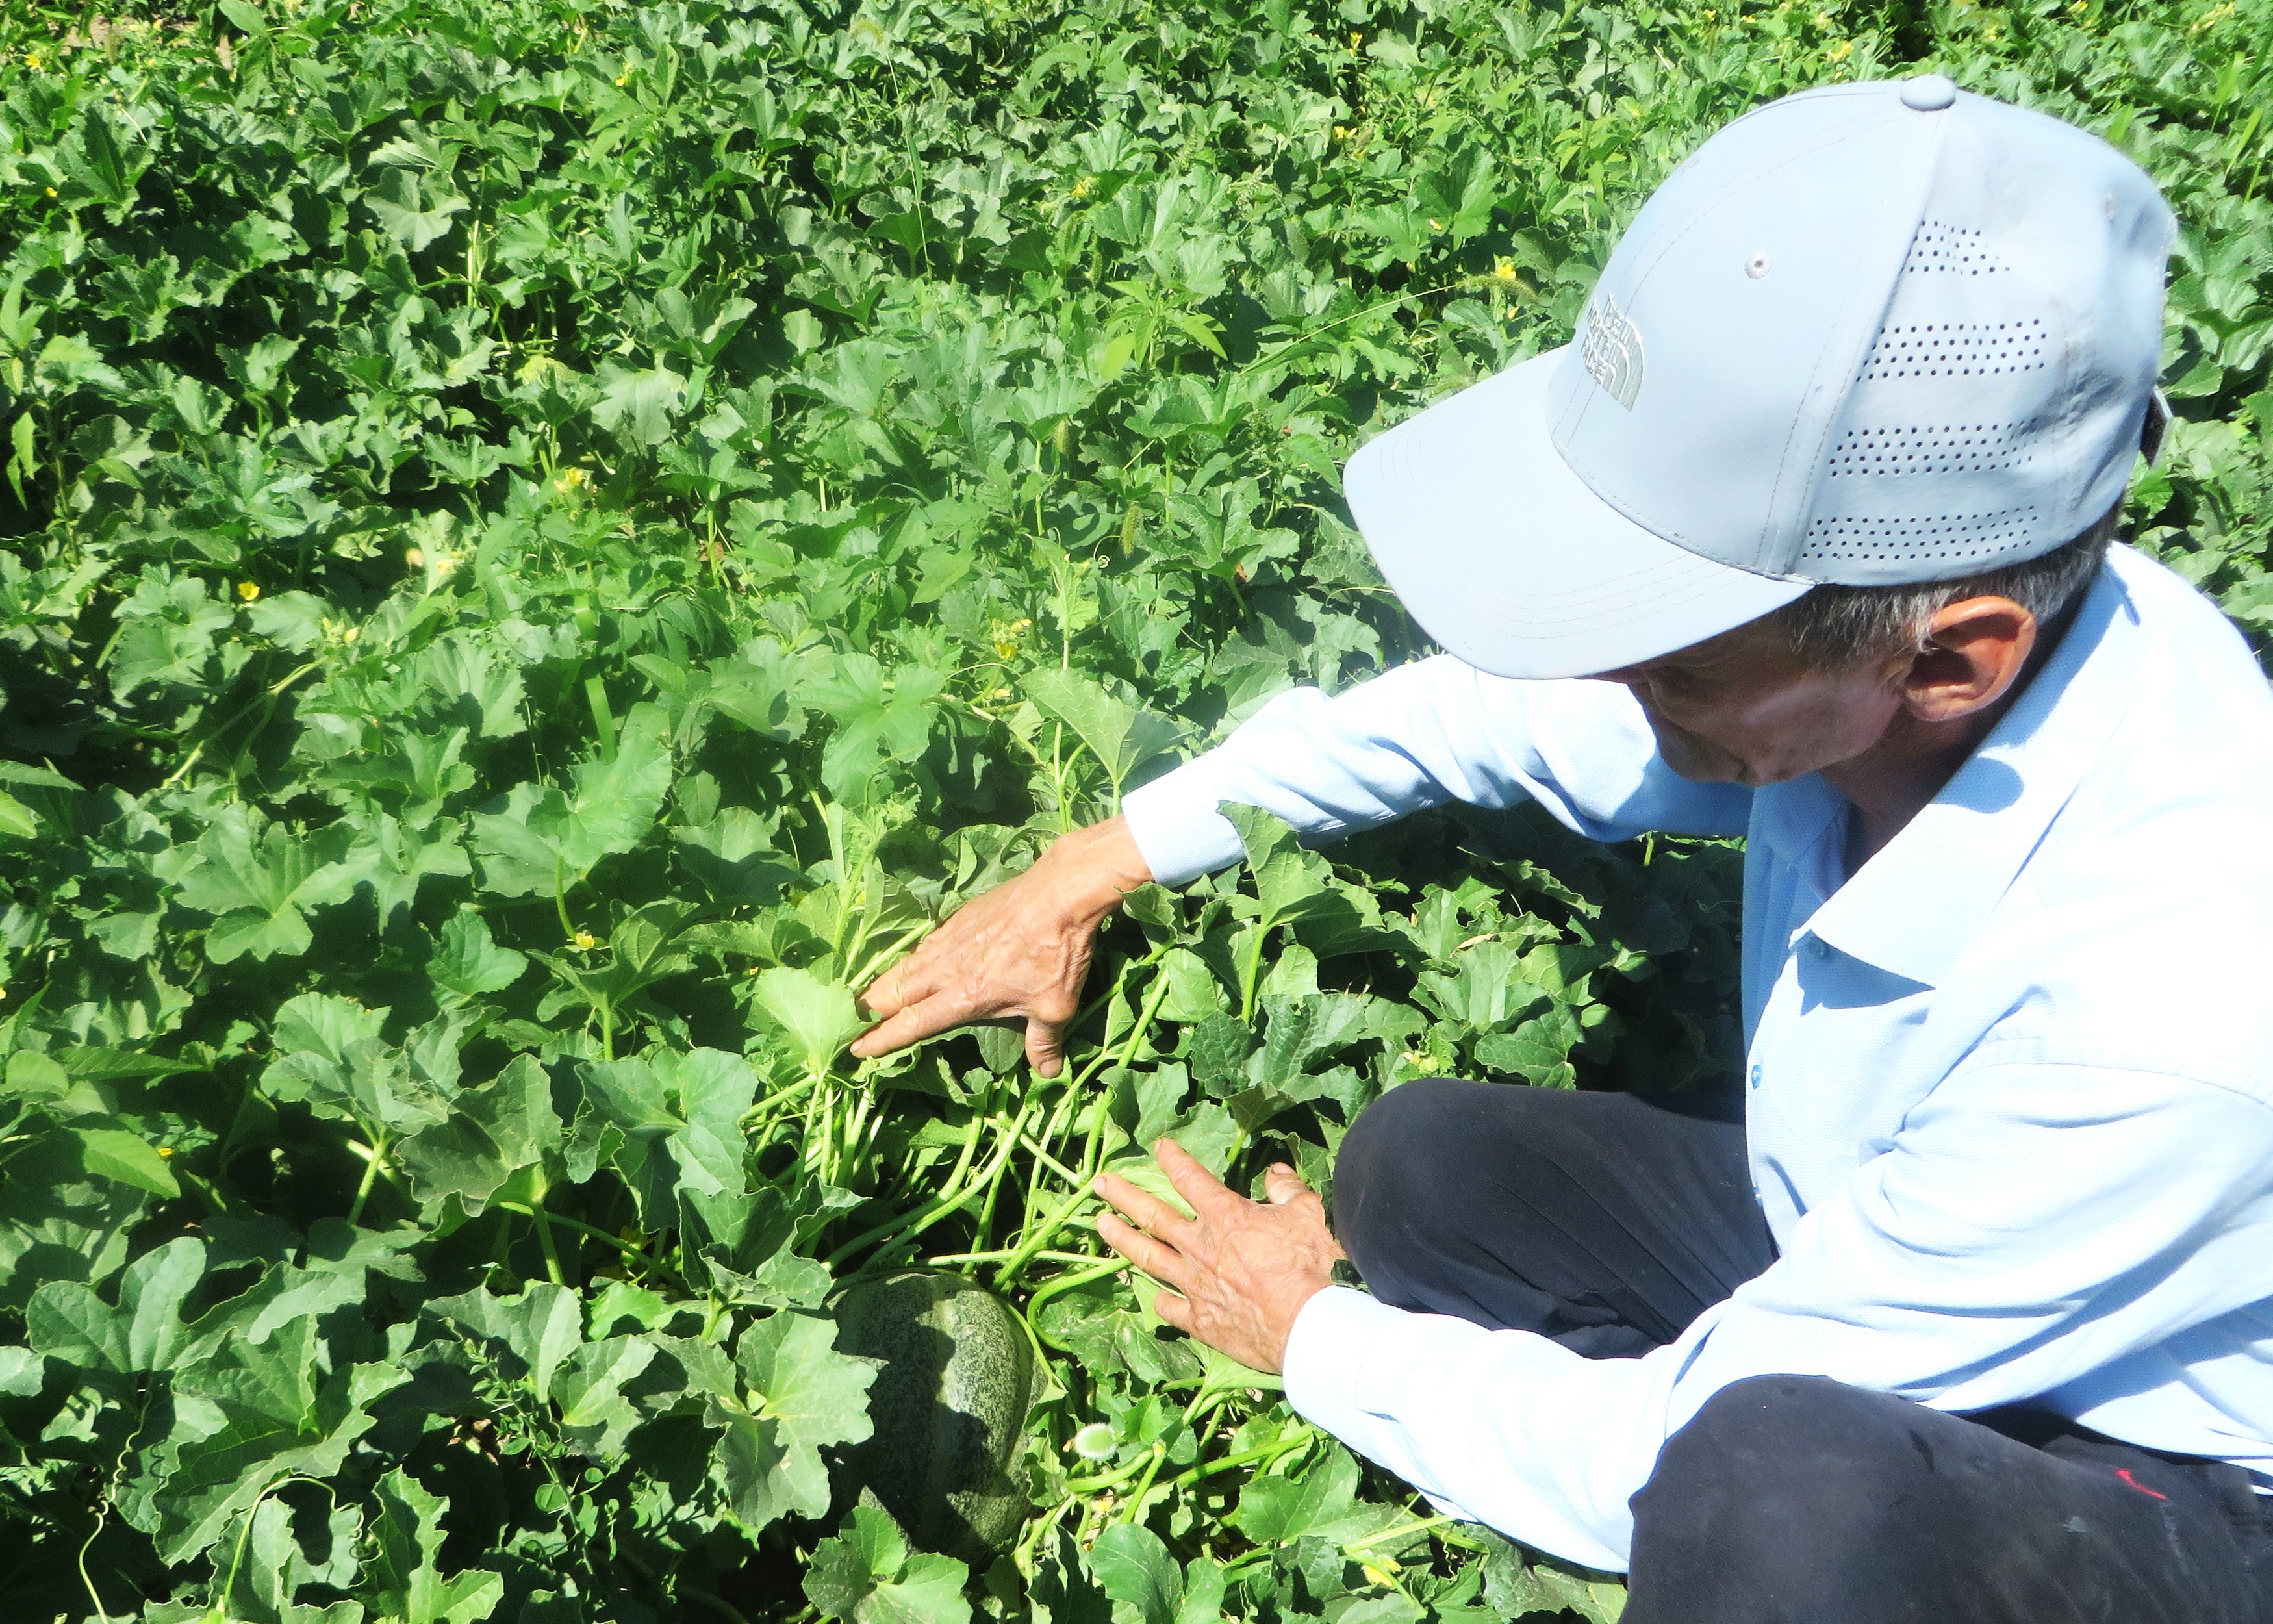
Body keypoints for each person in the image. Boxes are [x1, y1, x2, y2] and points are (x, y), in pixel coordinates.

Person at [852, 76, 2273, 1619]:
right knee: (1418, 1170)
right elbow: (1482, 715)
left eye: (1664, 656)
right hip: (1879, 1224)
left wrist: (1311, 1336)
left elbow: (1669, 1446)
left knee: (1769, 1498)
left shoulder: (2158, 1020)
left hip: (2167, 1472)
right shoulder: (1908, 640)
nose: (1604, 680)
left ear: (1945, 662)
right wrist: (1093, 863)